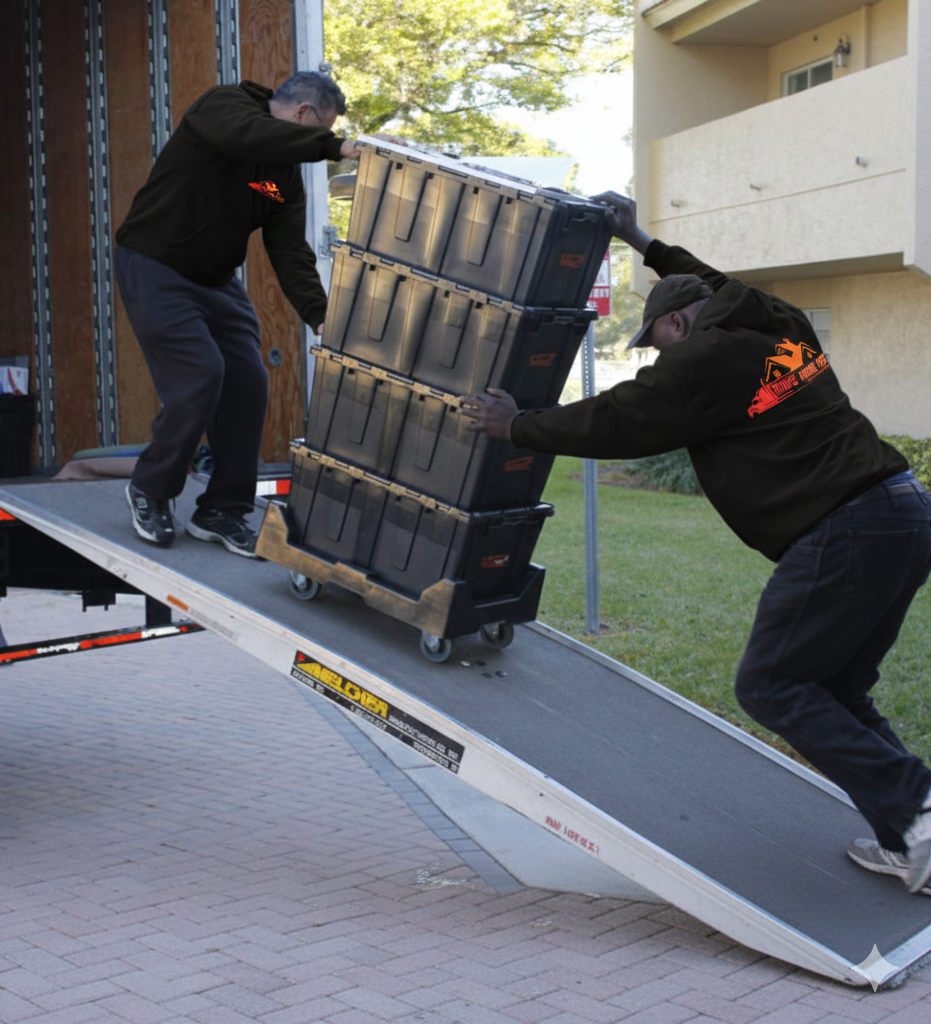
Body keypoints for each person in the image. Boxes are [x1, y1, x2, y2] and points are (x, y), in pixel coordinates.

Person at [466, 191, 931, 895]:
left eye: (656, 341)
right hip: (901, 514)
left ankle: (921, 809)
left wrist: (518, 427)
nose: (657, 356)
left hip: (846, 525)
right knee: (834, 687)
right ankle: (911, 839)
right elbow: (713, 280)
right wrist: (641, 241)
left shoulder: (702, 359)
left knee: (770, 683)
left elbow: (619, 418)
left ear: (678, 323)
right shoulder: (780, 323)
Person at [114, 71, 360, 557]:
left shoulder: (277, 181)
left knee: (248, 380)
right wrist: (336, 148)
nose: (317, 140)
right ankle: (151, 488)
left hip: (215, 280)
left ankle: (222, 510)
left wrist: (320, 316)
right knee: (201, 374)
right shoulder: (223, 109)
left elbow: (290, 250)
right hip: (155, 263)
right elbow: (249, 135)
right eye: (318, 130)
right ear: (304, 115)